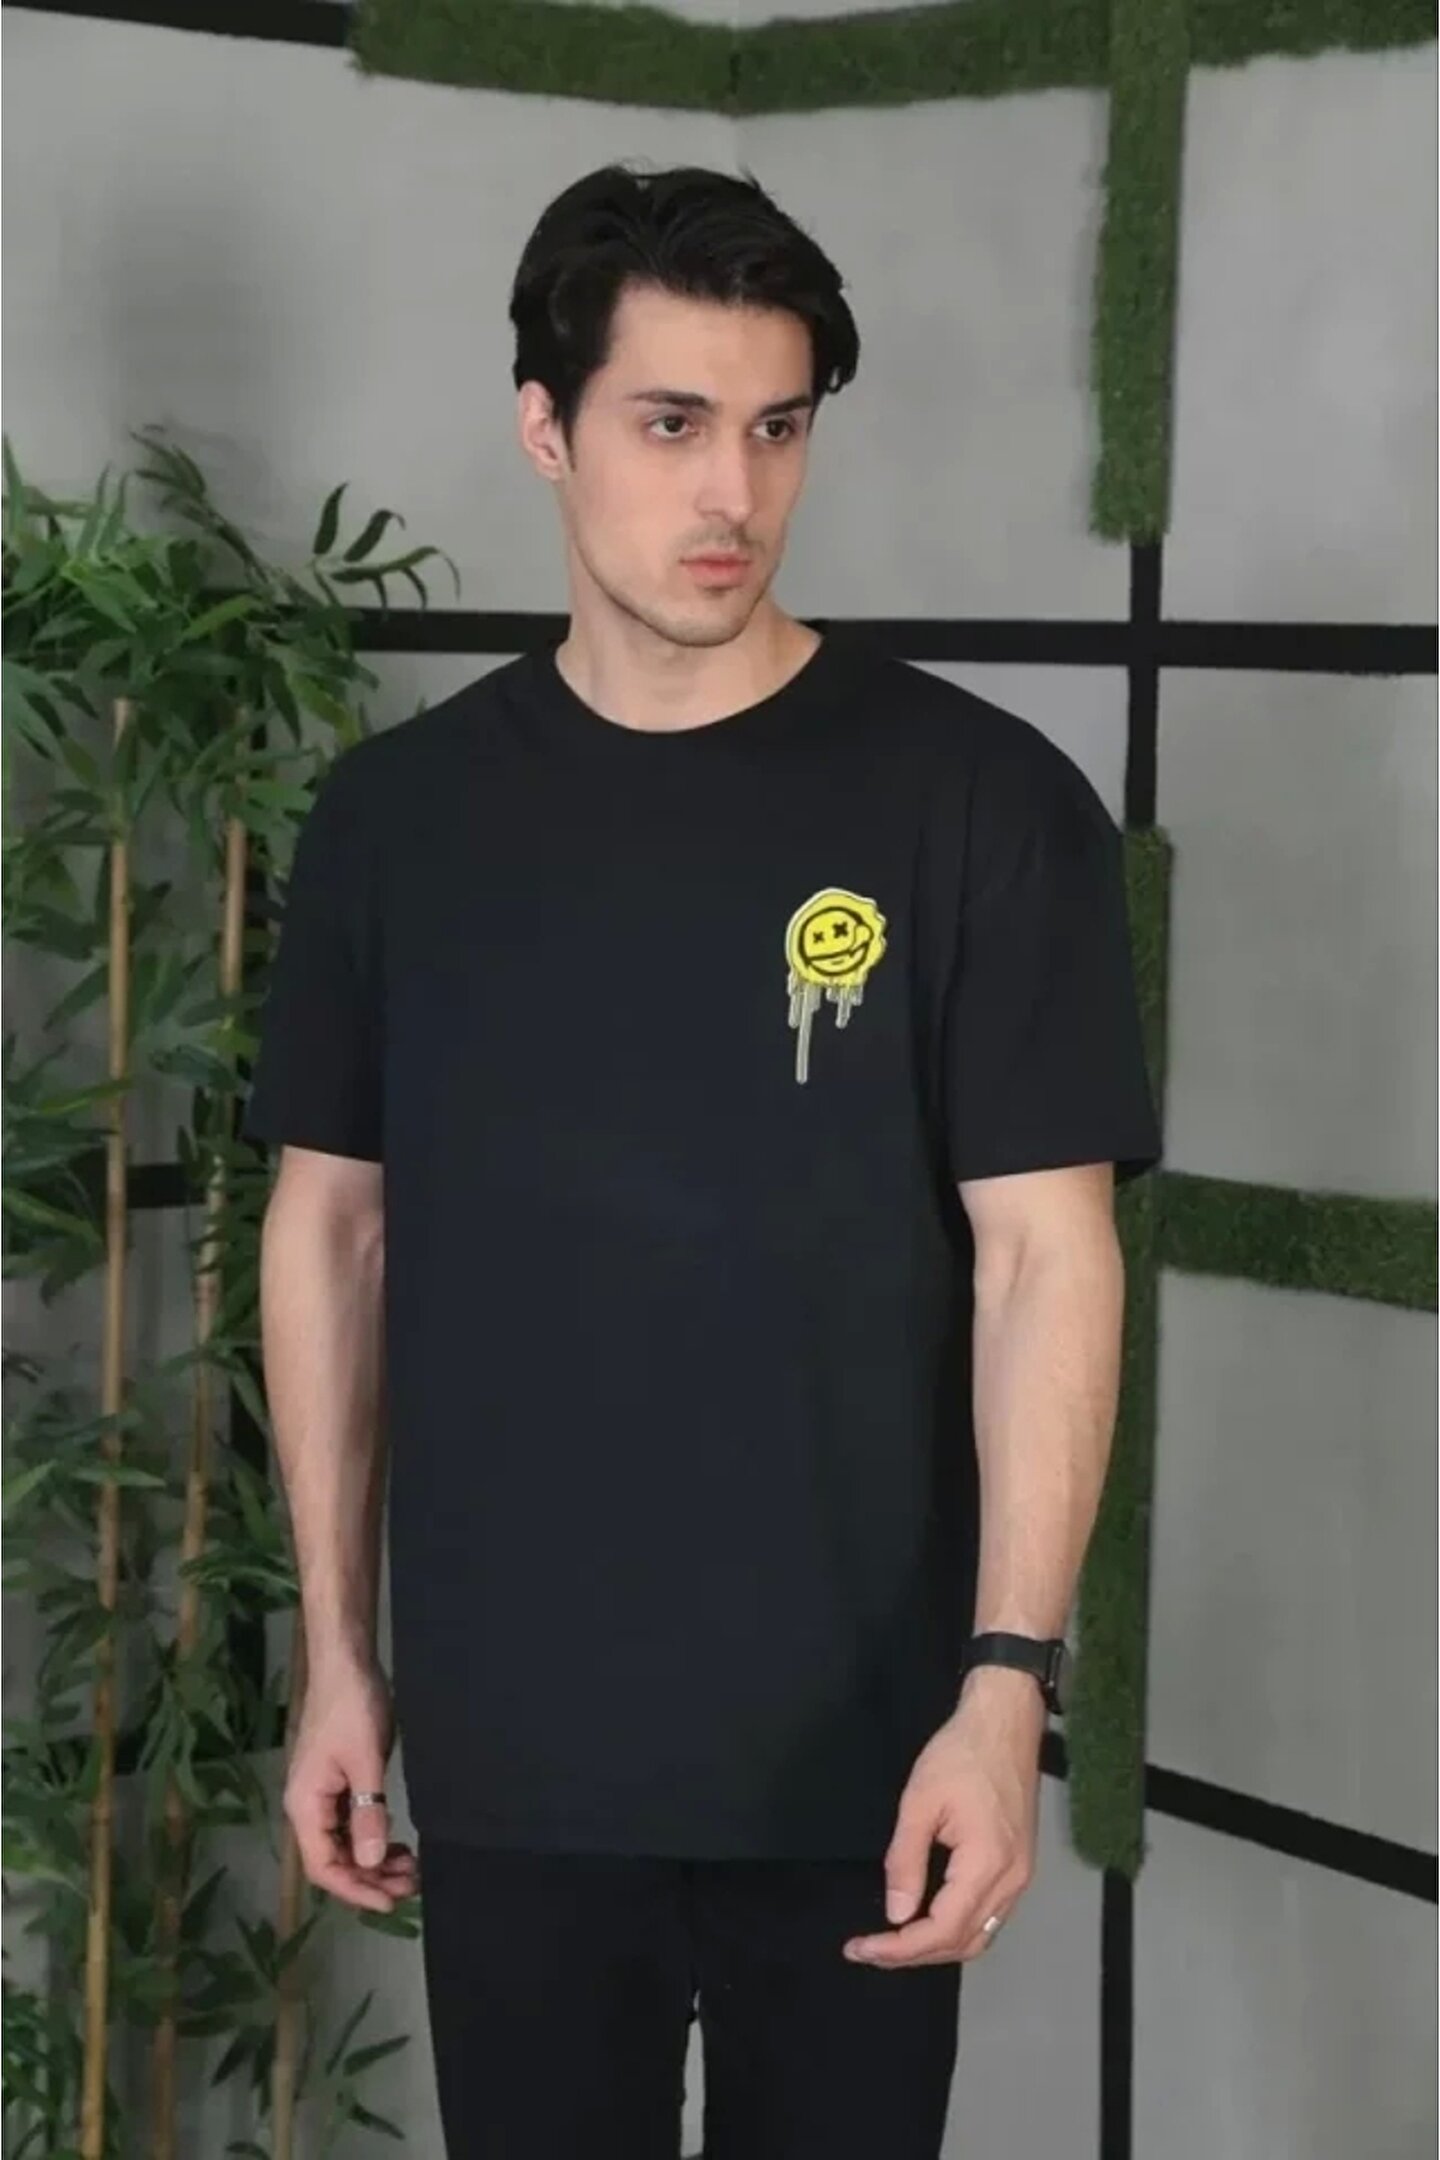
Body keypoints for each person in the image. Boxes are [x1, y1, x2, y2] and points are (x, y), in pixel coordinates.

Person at [242, 160, 1163, 2160]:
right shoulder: (396, 824)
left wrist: (1009, 1683)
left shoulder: (984, 807)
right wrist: (338, 1654)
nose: (732, 491)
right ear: (545, 427)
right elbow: (335, 1231)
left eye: (776, 426)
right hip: (513, 1763)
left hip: (864, 1769)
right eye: (670, 423)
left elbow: (1047, 1260)